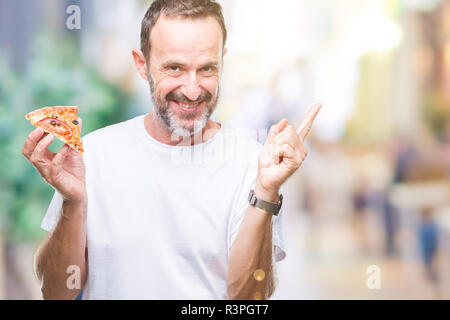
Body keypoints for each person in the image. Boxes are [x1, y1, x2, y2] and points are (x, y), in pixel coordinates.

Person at [22, 0, 321, 299]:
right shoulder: (93, 156)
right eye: (174, 68)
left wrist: (266, 193)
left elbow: (247, 300)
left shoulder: (254, 166)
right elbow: (56, 292)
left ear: (222, 62)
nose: (192, 90)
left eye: (206, 69)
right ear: (142, 64)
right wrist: (73, 204)